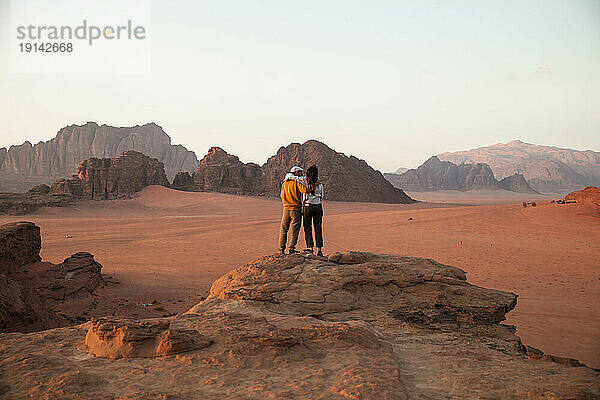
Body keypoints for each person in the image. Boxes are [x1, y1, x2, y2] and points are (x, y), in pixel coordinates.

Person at [279, 166, 314, 254]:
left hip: (286, 209)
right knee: (294, 230)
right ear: (296, 172)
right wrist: (314, 185)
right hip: (295, 209)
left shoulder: (284, 183)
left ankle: (281, 249)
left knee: (283, 229)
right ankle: (291, 248)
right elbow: (304, 190)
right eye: (300, 172)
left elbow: (282, 195)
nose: (302, 174)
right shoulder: (296, 182)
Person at [302, 165, 324, 256]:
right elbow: (322, 196)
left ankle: (310, 248)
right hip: (318, 206)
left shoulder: (305, 183)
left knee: (307, 227)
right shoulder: (320, 184)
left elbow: (303, 196)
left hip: (308, 206)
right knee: (318, 227)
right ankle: (319, 250)